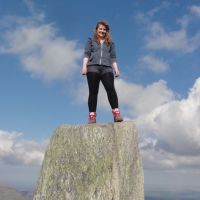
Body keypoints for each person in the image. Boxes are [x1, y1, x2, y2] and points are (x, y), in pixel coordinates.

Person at [81, 20, 123, 124]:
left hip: (107, 68)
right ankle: (92, 116)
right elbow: (87, 54)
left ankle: (116, 114)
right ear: (96, 29)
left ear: (107, 31)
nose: (102, 31)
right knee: (93, 92)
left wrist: (116, 69)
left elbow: (113, 57)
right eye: (100, 29)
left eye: (104, 29)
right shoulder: (90, 40)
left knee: (111, 89)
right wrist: (84, 66)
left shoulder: (111, 43)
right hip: (92, 68)